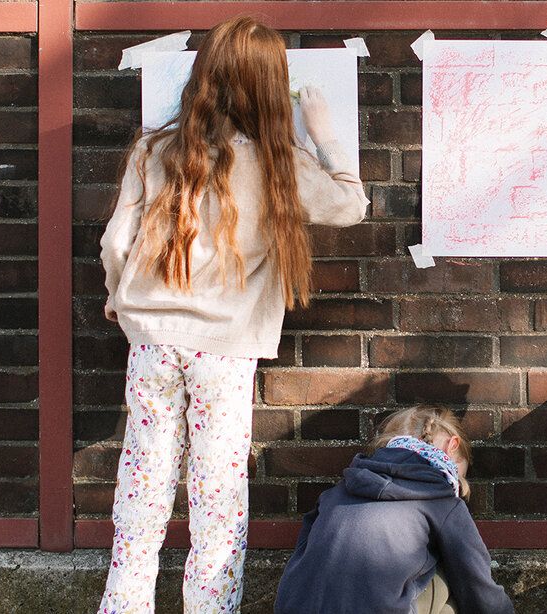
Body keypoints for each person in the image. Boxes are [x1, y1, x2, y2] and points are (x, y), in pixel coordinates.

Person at [96, 16, 368, 613]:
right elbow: (351, 205)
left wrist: (118, 295)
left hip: (153, 340)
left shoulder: (154, 149)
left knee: (143, 484)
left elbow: (116, 243)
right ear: (270, 87)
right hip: (225, 350)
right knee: (217, 498)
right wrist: (324, 135)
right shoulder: (278, 164)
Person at [275, 405, 515, 614]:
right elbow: (478, 586)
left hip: (295, 607)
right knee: (451, 574)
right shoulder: (442, 500)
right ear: (452, 446)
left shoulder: (340, 490)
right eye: (462, 472)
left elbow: (303, 550)